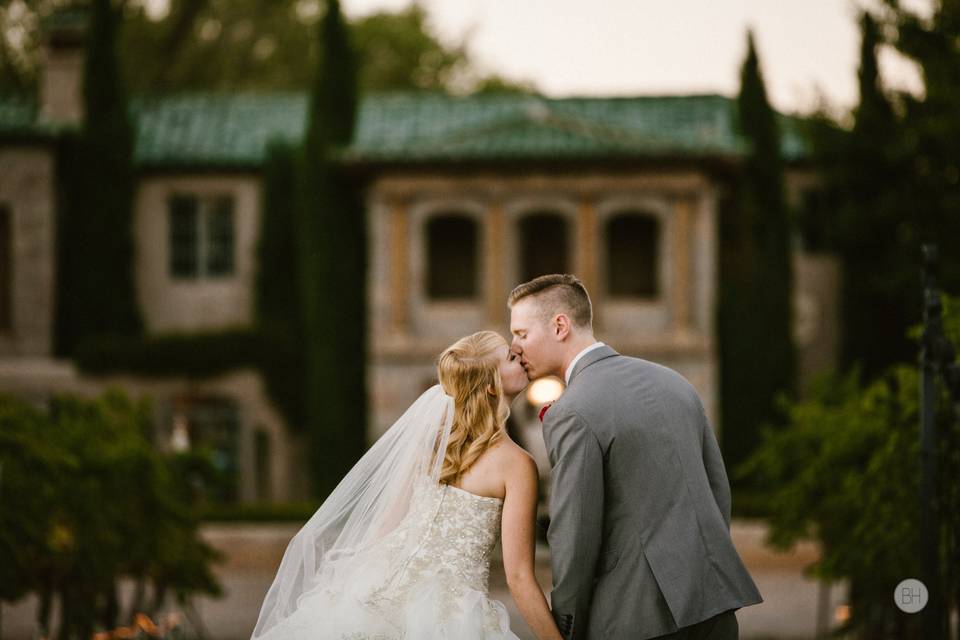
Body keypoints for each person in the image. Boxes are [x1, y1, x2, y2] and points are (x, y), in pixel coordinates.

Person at [251, 330, 563, 640]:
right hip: (452, 615)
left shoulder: (430, 446)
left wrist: (352, 585)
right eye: (510, 357)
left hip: (377, 592)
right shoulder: (517, 465)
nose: (520, 357)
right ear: (492, 387)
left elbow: (386, 525)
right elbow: (519, 577)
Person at [508, 274, 763, 640]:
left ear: (560, 326)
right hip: (713, 605)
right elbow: (717, 490)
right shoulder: (674, 383)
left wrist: (565, 625)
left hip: (633, 619)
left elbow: (574, 533)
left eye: (521, 334)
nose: (515, 348)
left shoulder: (573, 410)